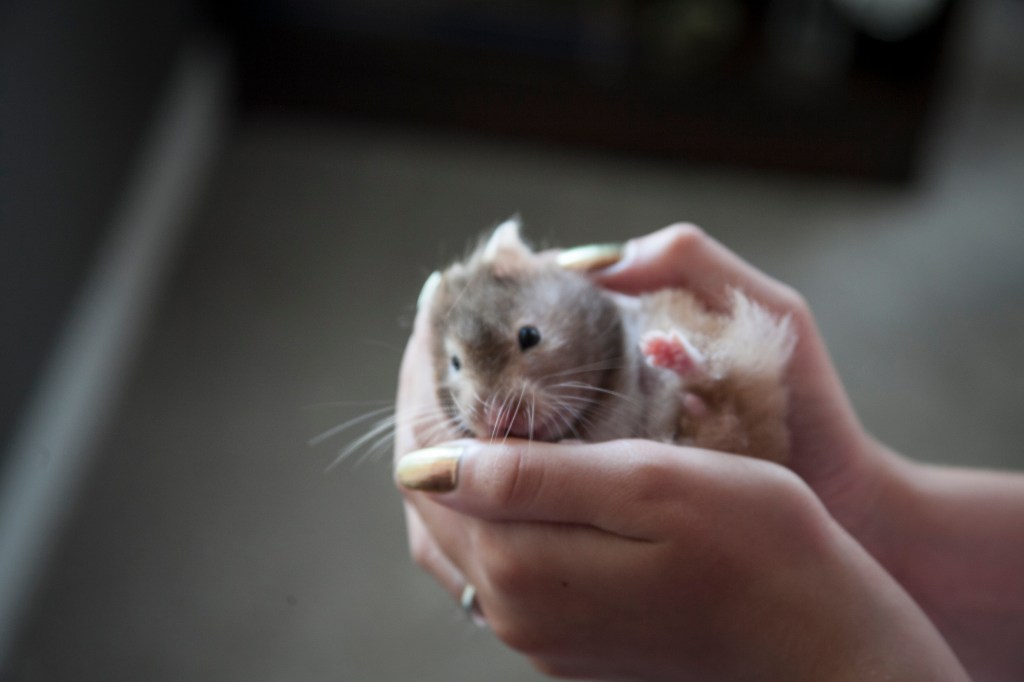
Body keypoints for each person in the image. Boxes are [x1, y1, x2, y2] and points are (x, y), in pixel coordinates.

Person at [393, 224, 1024, 681]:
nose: (492, 409)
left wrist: (807, 636)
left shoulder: (597, 334)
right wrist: (875, 519)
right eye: (456, 367)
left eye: (528, 340)